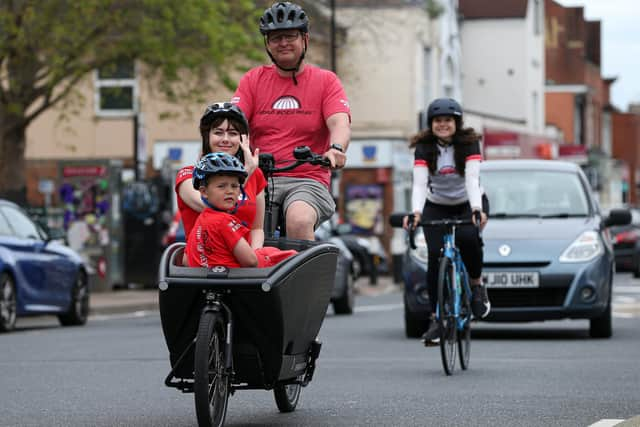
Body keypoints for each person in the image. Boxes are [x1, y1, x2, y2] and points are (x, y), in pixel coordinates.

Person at [232, 1, 351, 241]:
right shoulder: (252, 80)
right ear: (267, 43)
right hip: (258, 178)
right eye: (275, 38)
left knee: (298, 220)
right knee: (234, 223)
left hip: (307, 178)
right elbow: (233, 123)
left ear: (304, 38)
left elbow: (339, 123)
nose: (283, 43)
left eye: (289, 36)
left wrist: (336, 149)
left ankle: (305, 279)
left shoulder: (325, 81)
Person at [403, 97, 491, 346]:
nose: (443, 125)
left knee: (468, 239)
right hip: (436, 204)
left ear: (457, 123)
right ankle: (436, 320)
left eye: (448, 120)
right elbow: (420, 184)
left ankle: (476, 286)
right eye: (438, 121)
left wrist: (476, 209)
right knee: (434, 256)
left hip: (467, 202)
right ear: (431, 124)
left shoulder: (469, 143)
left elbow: (472, 180)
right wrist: (416, 213)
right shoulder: (424, 147)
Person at [175, 102, 266, 249]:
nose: (225, 139)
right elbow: (214, 206)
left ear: (243, 140)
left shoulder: (256, 174)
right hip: (205, 263)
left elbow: (257, 229)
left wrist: (254, 257)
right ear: (207, 137)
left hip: (247, 264)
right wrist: (245, 174)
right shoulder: (187, 175)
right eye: (218, 132)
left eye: (233, 133)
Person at [185, 152, 296, 269]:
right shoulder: (224, 222)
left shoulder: (200, 221)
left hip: (208, 280)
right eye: (221, 186)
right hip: (237, 282)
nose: (230, 191)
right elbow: (250, 261)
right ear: (203, 192)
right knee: (291, 257)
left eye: (234, 186)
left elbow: (186, 260)